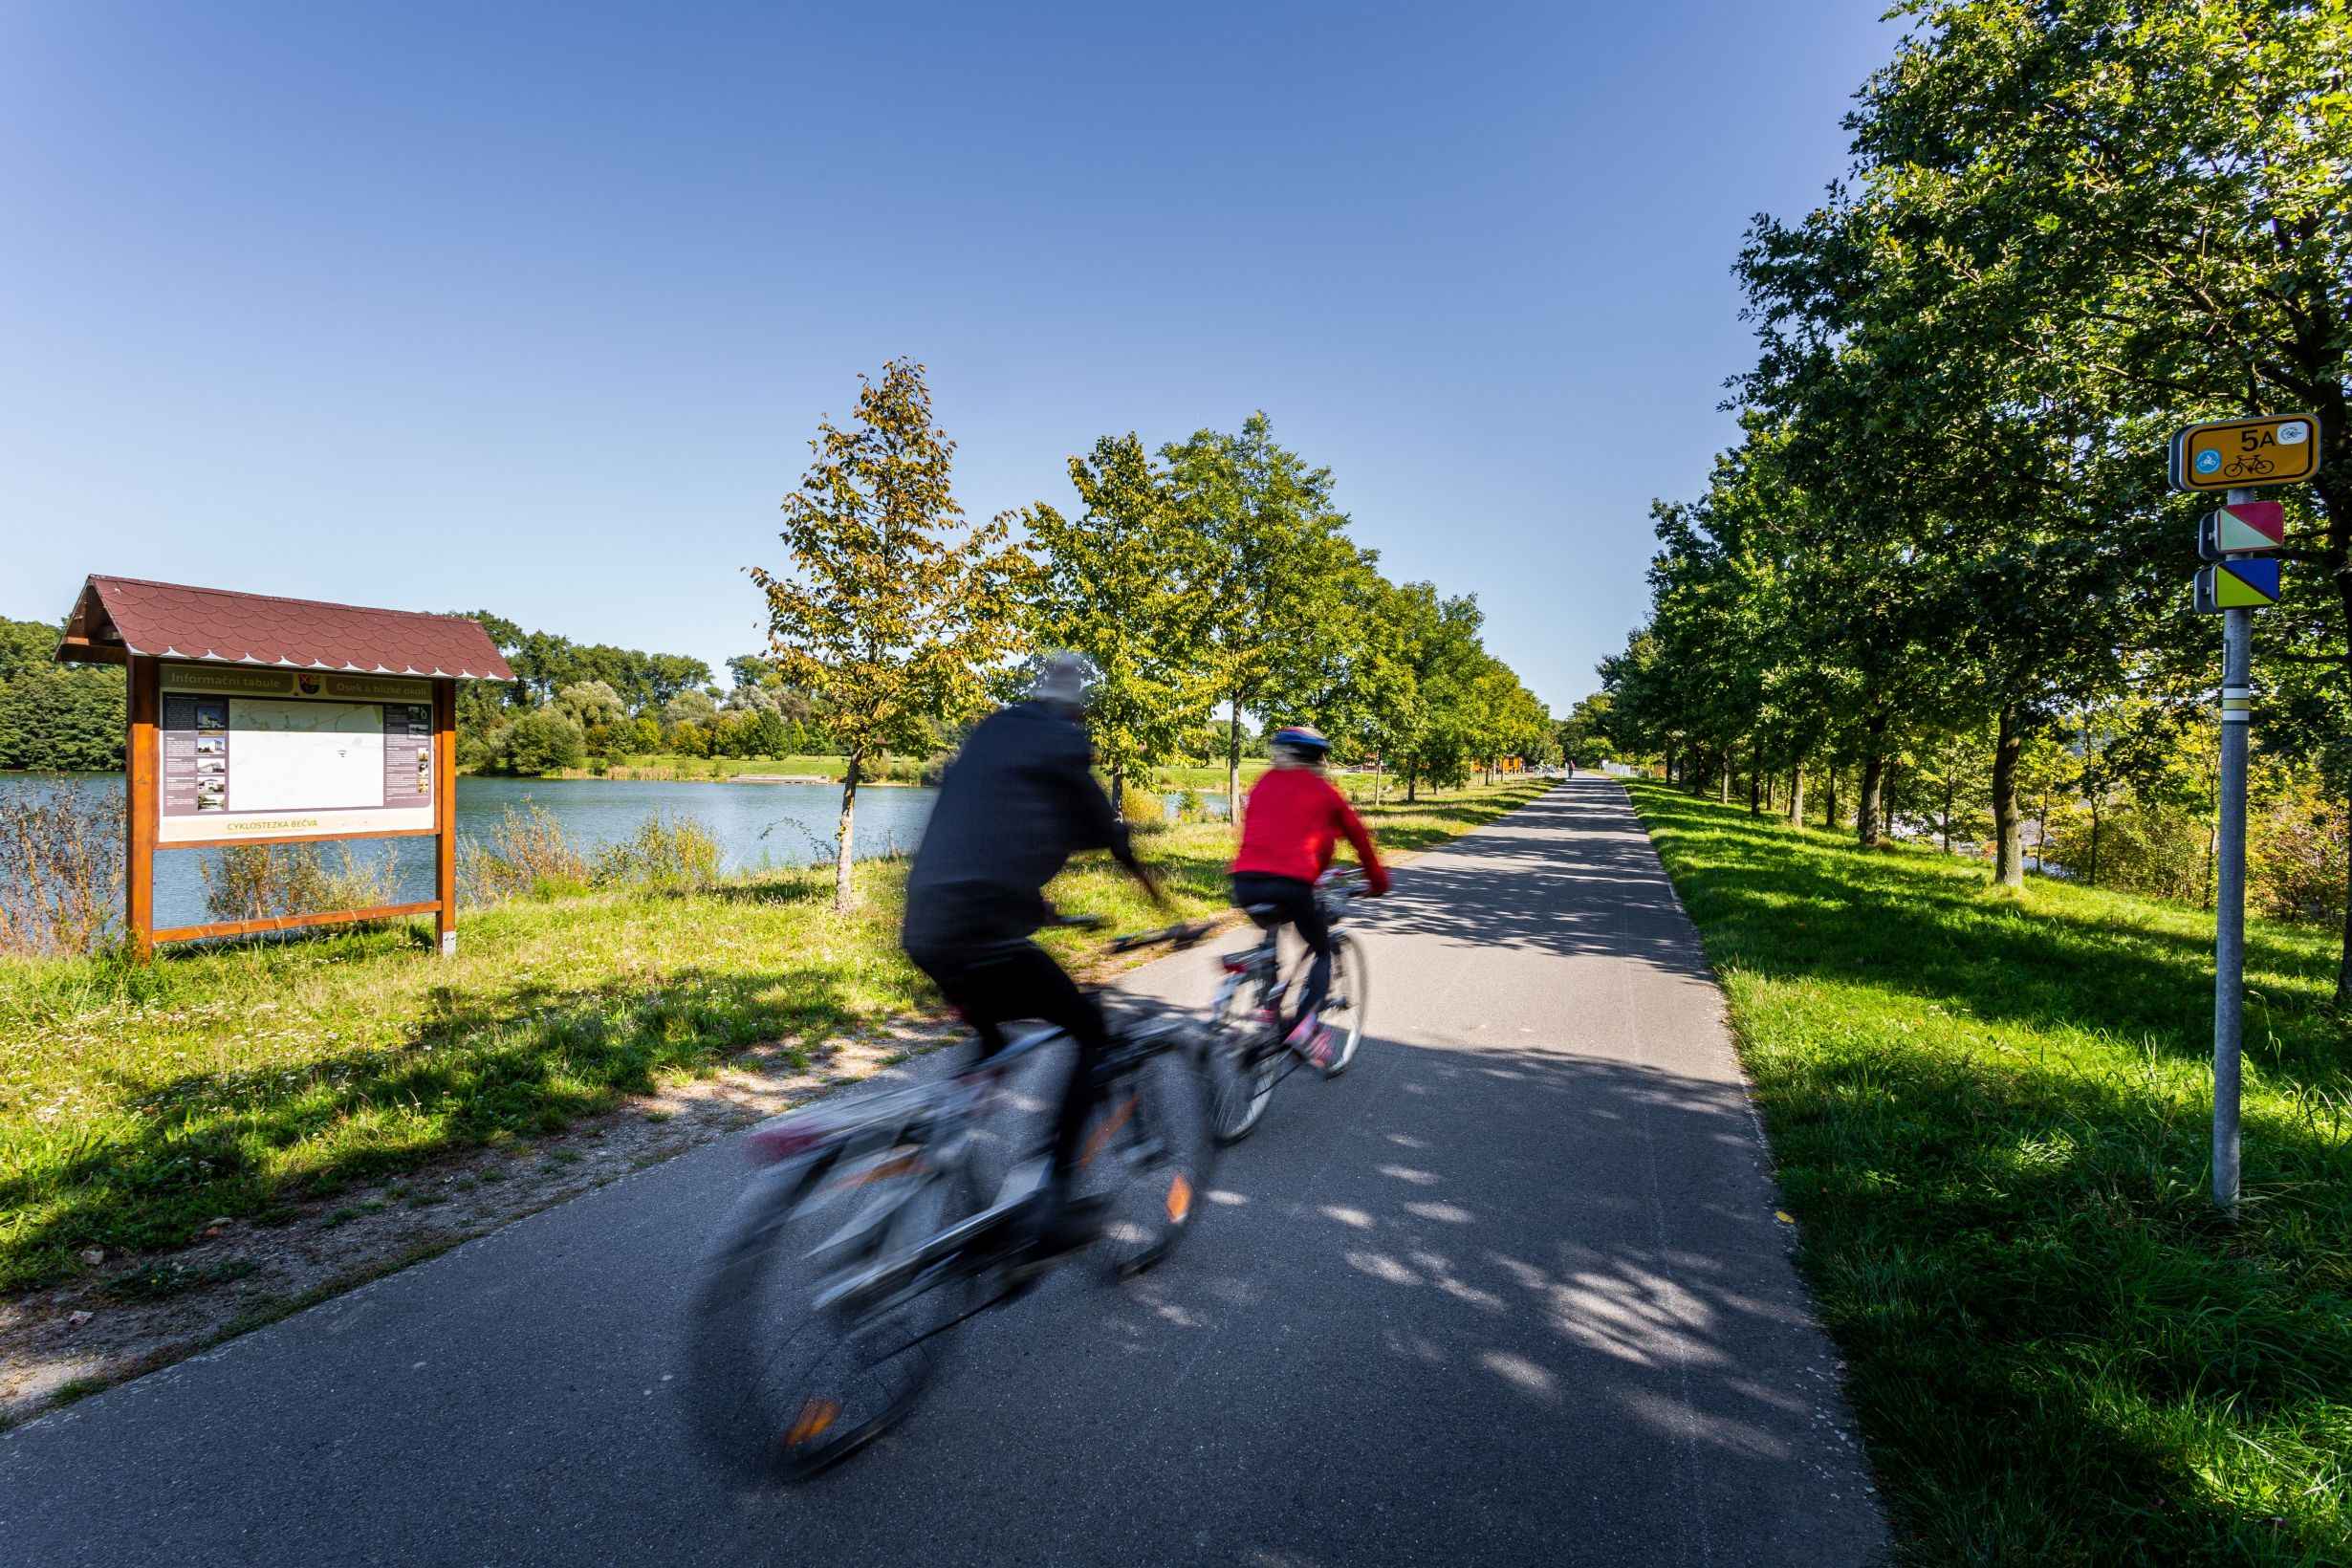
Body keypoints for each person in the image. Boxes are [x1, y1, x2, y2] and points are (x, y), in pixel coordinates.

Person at [901, 652, 1167, 1254]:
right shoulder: (1065, 744)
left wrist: (1037, 902)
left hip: (926, 925)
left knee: (993, 1038)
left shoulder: (993, 731)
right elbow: (1109, 832)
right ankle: (1054, 1196)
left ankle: (945, 1155)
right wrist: (1160, 902)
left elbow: (989, 833)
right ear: (1078, 707)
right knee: (1093, 1032)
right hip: (984, 931)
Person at [1230, 725, 1390, 1069]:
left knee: (1272, 931)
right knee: (1320, 949)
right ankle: (1304, 1024)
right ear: (1319, 758)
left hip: (1245, 882)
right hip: (1293, 884)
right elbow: (1359, 839)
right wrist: (1377, 881)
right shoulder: (1324, 791)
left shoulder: (1263, 785)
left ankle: (1267, 1010)